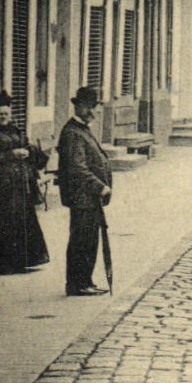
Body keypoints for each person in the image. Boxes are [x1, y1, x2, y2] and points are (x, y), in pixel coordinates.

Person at [0, 92, 50, 274]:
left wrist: (29, 152)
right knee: (0, 223)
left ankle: (19, 262)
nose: (3, 117)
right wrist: (11, 155)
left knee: (19, 222)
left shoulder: (15, 130)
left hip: (18, 186)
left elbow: (26, 145)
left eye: (6, 114)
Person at [58, 87, 112, 297]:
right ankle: (77, 284)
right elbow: (77, 168)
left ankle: (85, 281)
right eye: (89, 107)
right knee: (82, 240)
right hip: (82, 197)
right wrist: (99, 186)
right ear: (78, 106)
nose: (93, 112)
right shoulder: (72, 132)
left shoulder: (82, 129)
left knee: (89, 240)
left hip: (89, 198)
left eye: (95, 107)